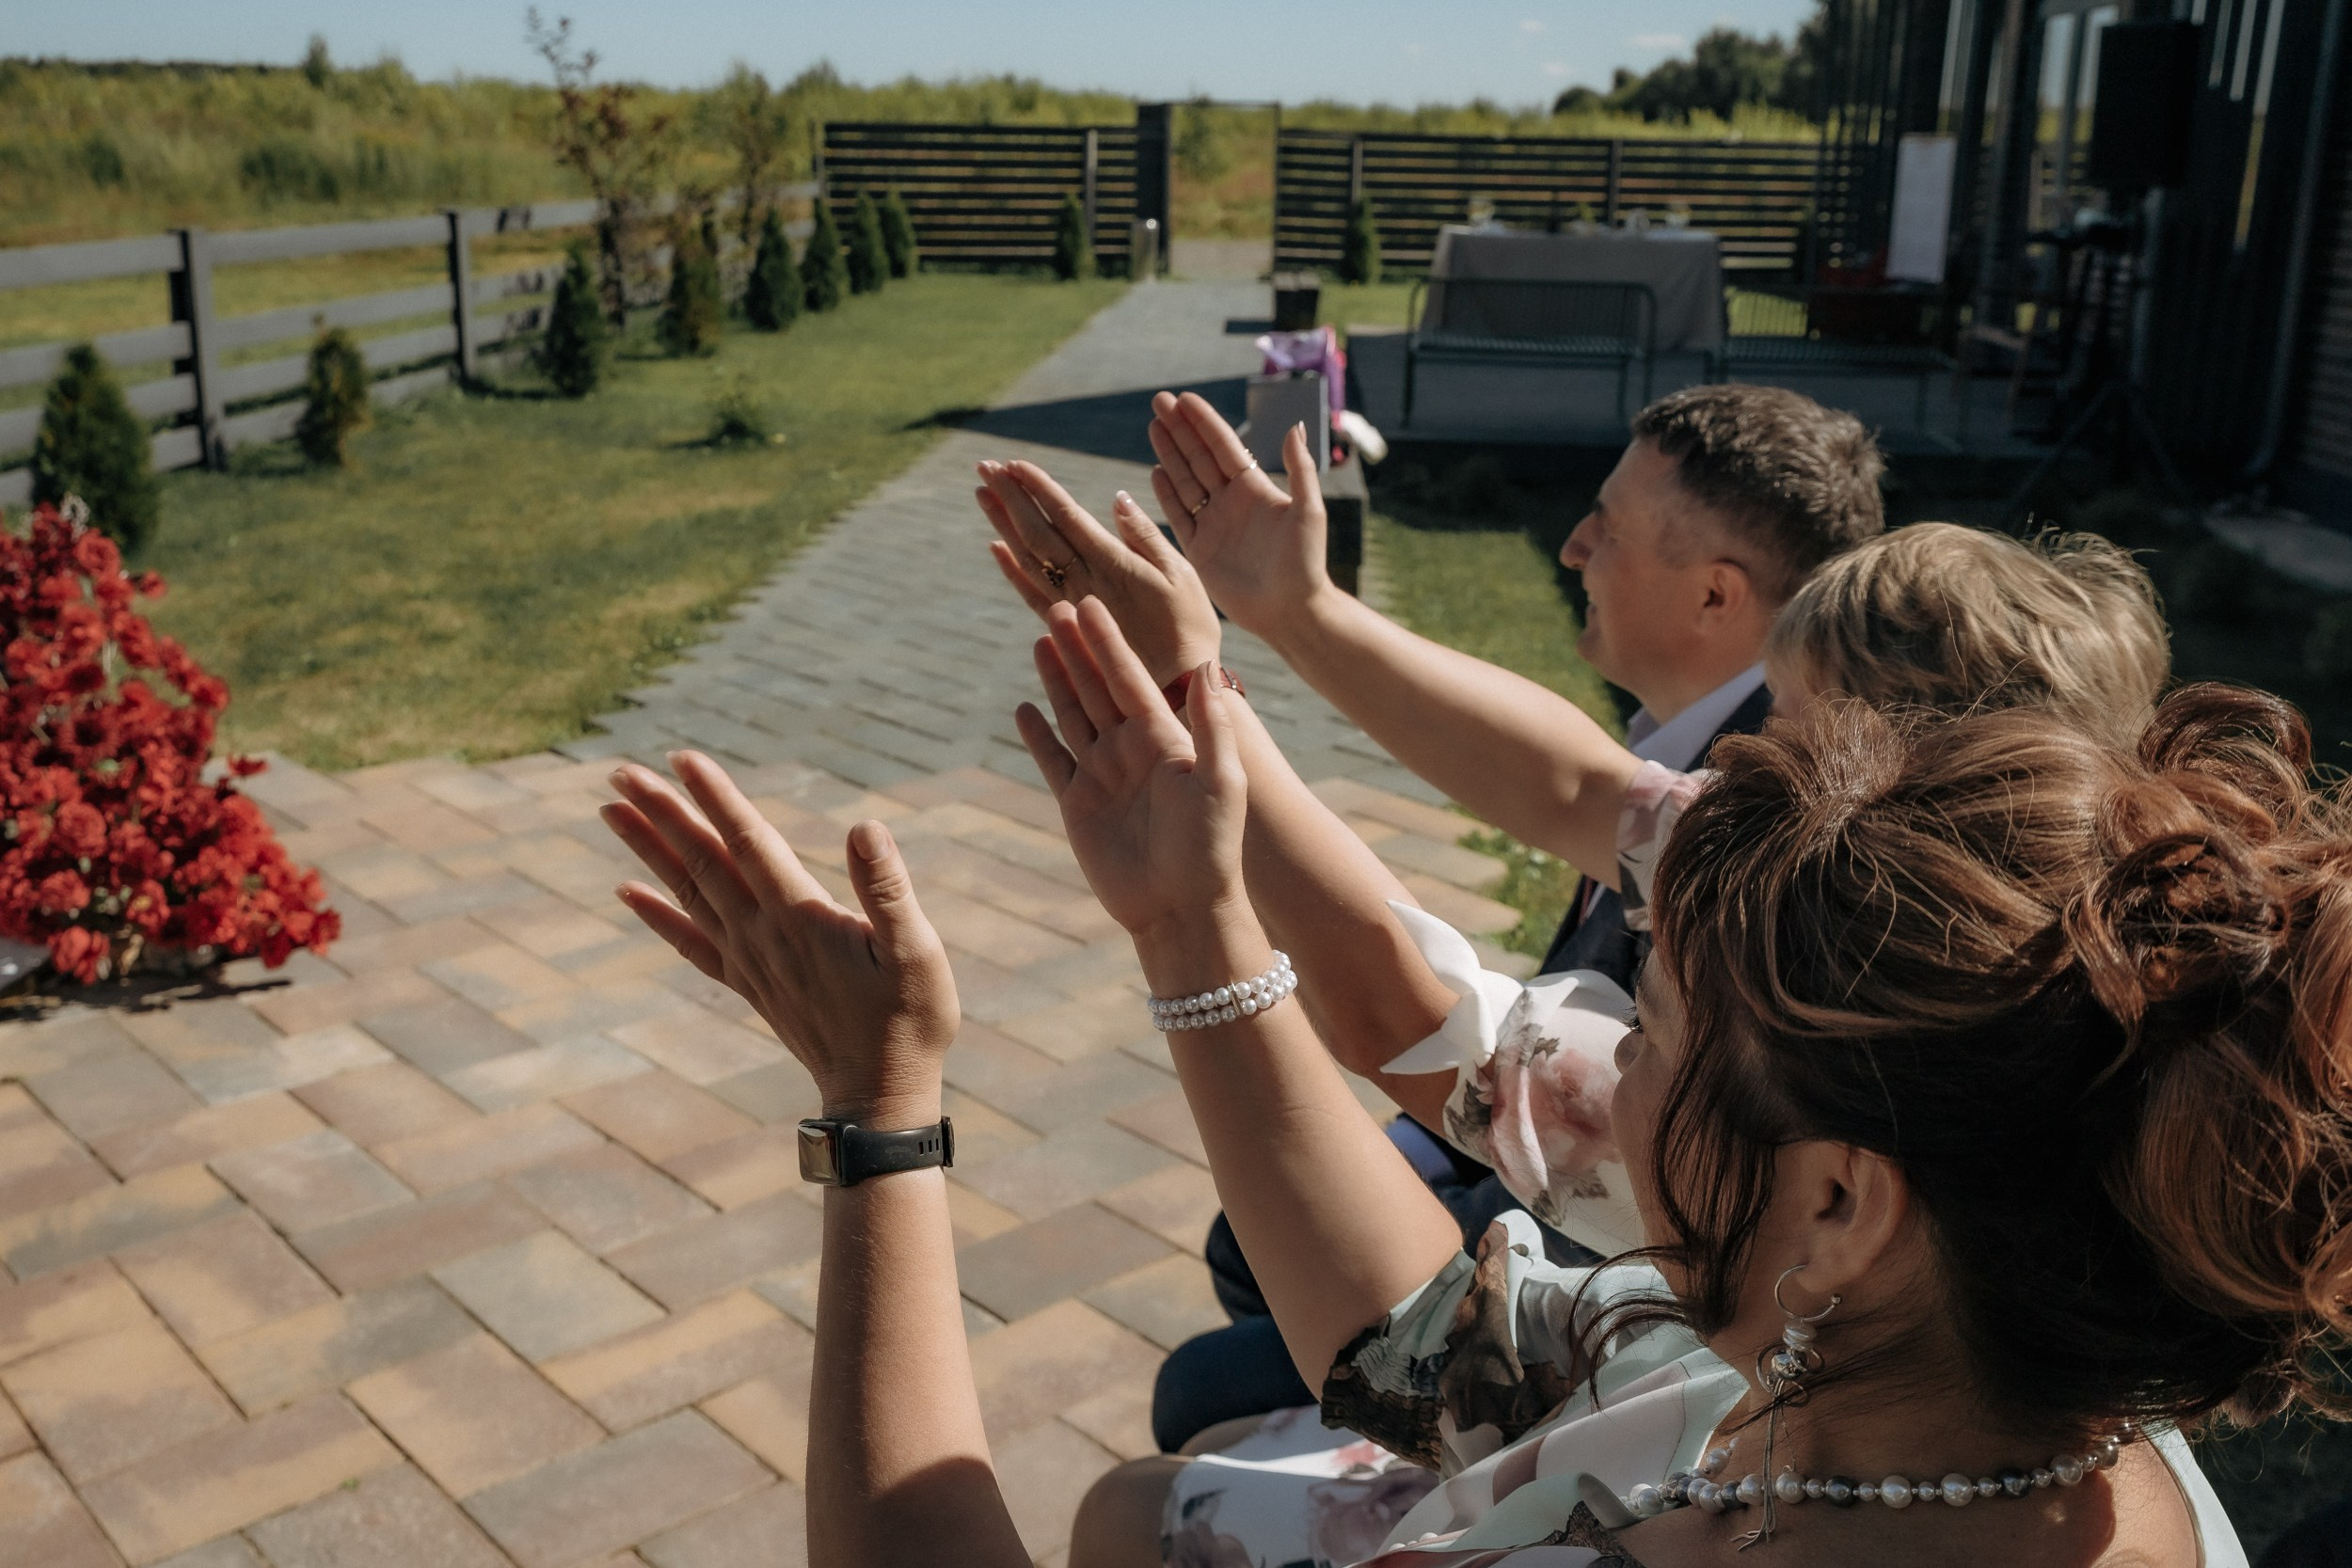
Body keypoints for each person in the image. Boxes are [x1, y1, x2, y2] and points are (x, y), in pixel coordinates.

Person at [596, 606, 2350, 1568]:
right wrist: (1190, 917)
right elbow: (1447, 1335)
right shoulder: (1962, 1408)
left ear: (1836, 1201)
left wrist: (883, 1112)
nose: (1602, 1050)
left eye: (1654, 1028)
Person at [974, 408, 2169, 1445]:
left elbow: (1421, 1032)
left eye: (1789, 728)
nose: (1725, 771)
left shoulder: (1777, 1081)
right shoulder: (2007, 953)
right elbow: (1577, 787)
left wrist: (1192, 788)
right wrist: (1288, 617)